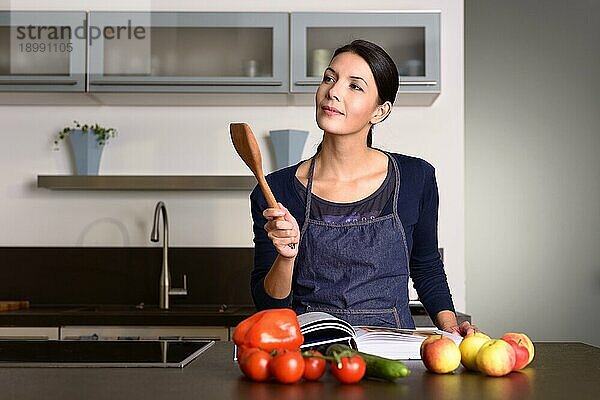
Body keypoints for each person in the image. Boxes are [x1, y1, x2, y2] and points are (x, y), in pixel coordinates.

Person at [249, 39, 476, 336]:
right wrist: (286, 256)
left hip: (394, 350)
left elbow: (426, 266)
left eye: (354, 86)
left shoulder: (415, 177)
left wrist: (451, 328)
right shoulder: (275, 191)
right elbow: (268, 307)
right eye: (330, 78)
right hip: (312, 352)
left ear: (379, 111)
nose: (333, 91)